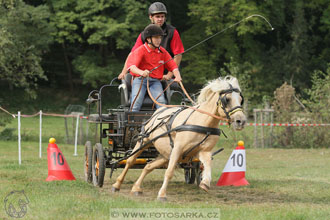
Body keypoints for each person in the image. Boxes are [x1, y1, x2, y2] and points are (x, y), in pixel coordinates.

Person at [118, 2, 184, 81]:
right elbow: (132, 54)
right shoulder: (144, 34)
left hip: (165, 74)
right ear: (150, 17)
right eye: (157, 17)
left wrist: (169, 75)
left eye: (162, 16)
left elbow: (178, 55)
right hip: (146, 74)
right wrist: (123, 72)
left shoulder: (172, 32)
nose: (160, 19)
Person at [127, 24, 182, 112]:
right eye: (156, 38)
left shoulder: (163, 52)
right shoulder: (140, 50)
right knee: (136, 102)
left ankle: (162, 124)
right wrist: (141, 72)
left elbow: (173, 66)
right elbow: (132, 67)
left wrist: (178, 76)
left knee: (161, 102)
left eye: (160, 38)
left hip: (155, 81)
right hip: (140, 80)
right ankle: (132, 125)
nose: (159, 40)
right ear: (148, 39)